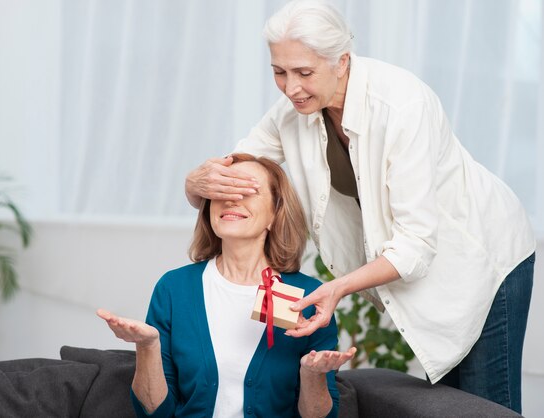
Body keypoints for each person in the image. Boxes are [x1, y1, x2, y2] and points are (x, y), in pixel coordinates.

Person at [184, 0, 536, 413]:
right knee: (448, 404)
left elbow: (417, 244)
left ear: (342, 61)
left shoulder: (402, 106)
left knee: (483, 405)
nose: (291, 87)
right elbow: (239, 175)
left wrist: (338, 288)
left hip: (483, 254)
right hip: (424, 260)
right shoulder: (294, 111)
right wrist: (196, 185)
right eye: (279, 72)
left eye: (304, 72)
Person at [99, 153, 355, 417]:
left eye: (248, 191)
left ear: (275, 214)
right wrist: (148, 346)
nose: (232, 199)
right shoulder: (174, 288)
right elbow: (154, 412)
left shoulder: (310, 297)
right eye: (223, 189)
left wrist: (312, 375)